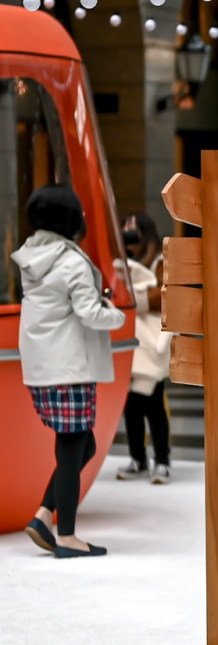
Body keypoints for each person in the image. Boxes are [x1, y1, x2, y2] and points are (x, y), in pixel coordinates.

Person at [15, 185, 127, 558]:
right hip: (69, 367)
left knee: (82, 445)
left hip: (44, 366)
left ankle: (44, 517)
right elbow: (90, 313)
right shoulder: (70, 261)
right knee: (72, 448)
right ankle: (66, 536)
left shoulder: (33, 255)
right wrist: (119, 314)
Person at [115, 212, 172, 482]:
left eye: (133, 229)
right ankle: (138, 458)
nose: (128, 234)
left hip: (153, 344)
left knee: (153, 404)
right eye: (125, 229)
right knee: (132, 406)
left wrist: (133, 296)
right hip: (131, 343)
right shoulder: (123, 264)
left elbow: (161, 298)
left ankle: (162, 460)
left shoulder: (162, 261)